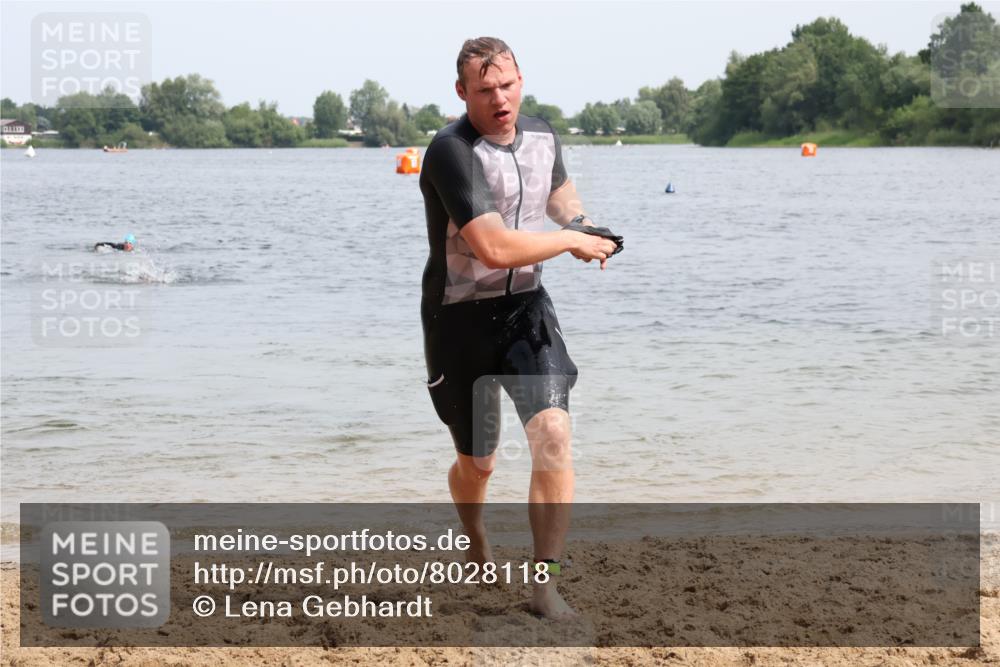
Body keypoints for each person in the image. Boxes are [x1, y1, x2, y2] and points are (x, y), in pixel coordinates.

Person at [419, 37, 621, 620]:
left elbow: (562, 201)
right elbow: (492, 247)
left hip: (526, 312)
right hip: (457, 320)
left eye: (506, 85)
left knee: (554, 432)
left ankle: (544, 586)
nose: (499, 99)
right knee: (478, 463)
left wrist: (585, 227)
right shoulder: (450, 151)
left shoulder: (542, 135)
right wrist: (568, 241)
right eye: (484, 90)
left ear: (520, 80)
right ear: (462, 93)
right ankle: (476, 534)